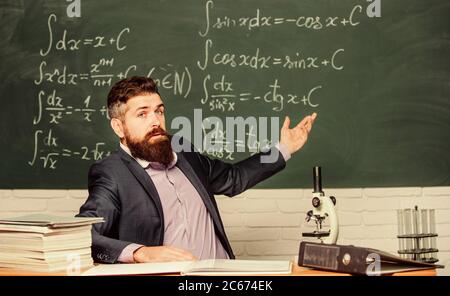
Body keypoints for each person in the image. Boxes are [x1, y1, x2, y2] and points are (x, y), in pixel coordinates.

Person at [77, 76, 317, 264]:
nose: (155, 121)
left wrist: (284, 148)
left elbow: (233, 178)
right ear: (119, 126)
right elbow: (84, 236)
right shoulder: (111, 173)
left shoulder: (184, 153)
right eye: (142, 114)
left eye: (159, 111)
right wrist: (141, 252)